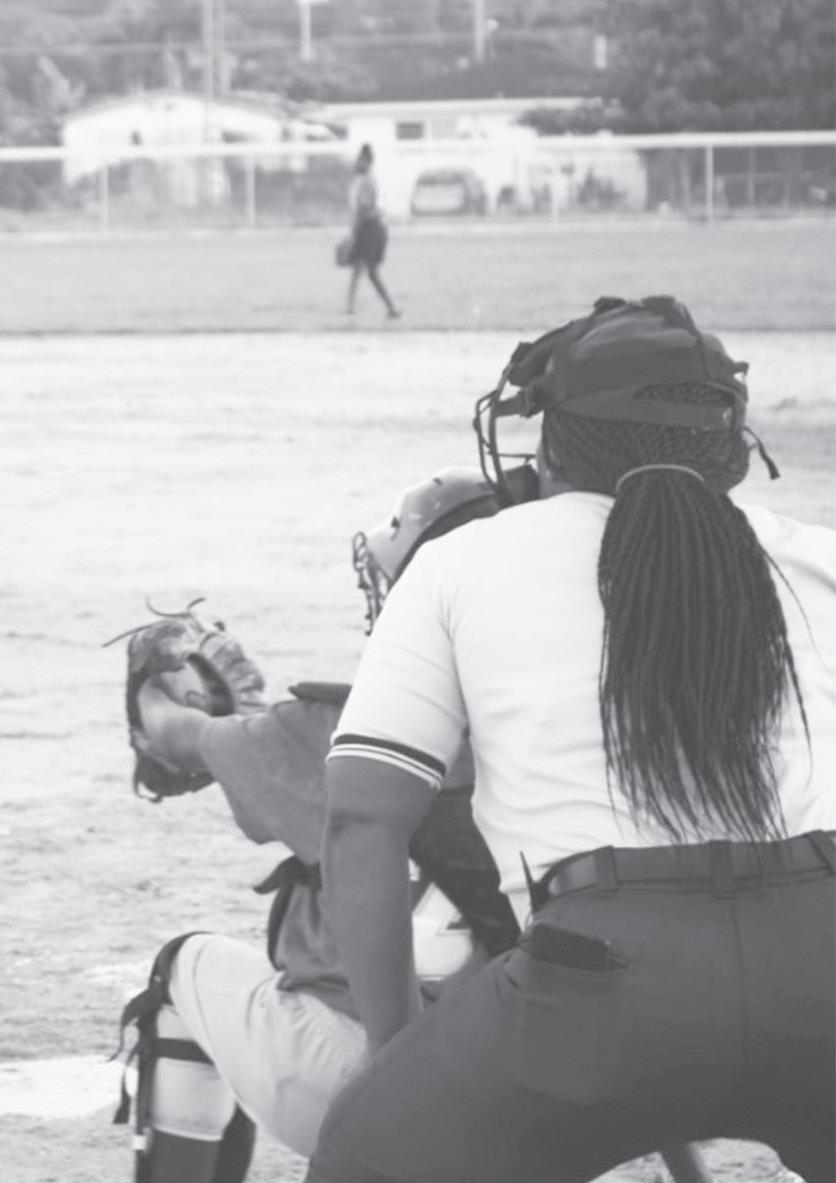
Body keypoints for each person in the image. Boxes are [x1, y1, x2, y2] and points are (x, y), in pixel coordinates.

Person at [309, 296, 836, 1183]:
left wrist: (397, 1058)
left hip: (600, 984)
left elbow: (362, 818)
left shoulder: (463, 561)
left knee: (364, 1161)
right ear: (732, 445)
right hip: (823, 958)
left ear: (554, 444)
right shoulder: (817, 554)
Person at [117, 471, 712, 1183]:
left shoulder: (338, 730)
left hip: (381, 1093)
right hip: (550, 1113)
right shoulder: (590, 741)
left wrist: (173, 697)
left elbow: (173, 736)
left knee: (182, 969)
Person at [343, 145, 399, 322]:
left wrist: (354, 231)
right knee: (359, 269)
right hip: (368, 228)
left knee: (370, 272)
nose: (357, 163)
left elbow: (365, 208)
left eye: (360, 160)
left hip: (371, 230)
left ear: (367, 162)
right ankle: (351, 309)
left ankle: (390, 308)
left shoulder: (368, 181)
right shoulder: (362, 181)